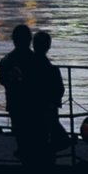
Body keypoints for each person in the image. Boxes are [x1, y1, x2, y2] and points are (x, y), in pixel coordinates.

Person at [0, 24, 34, 161]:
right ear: (29, 40)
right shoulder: (35, 60)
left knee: (19, 131)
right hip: (33, 104)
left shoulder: (7, 60)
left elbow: (2, 80)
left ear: (14, 40)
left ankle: (22, 151)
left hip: (15, 102)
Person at [28, 30, 65, 164]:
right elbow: (60, 90)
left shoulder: (27, 67)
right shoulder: (52, 70)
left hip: (29, 110)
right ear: (48, 47)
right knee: (48, 141)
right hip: (48, 110)